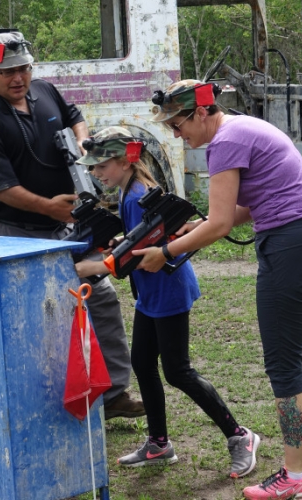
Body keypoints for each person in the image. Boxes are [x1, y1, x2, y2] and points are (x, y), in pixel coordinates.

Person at [138, 79, 302, 499]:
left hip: (290, 249)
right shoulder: (246, 127)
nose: (176, 134)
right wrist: (196, 227)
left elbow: (220, 225)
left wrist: (165, 252)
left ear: (201, 112)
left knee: (284, 365)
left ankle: (295, 476)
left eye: (177, 124)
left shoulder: (225, 141)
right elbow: (249, 205)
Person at [0, 31, 144, 419]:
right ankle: (44, 403)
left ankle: (113, 395)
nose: (19, 78)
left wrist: (82, 142)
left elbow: (74, 116)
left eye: (24, 68)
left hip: (71, 226)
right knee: (39, 317)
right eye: (8, 71)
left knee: (103, 300)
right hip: (15, 233)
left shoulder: (44, 90)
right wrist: (49, 208)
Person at [73, 126, 259, 476]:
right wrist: (117, 245)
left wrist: (92, 266)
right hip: (151, 292)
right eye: (94, 168)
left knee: (177, 371)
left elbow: (135, 257)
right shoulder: (131, 192)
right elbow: (134, 245)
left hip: (168, 290)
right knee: (142, 362)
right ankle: (159, 444)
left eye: (102, 167)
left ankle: (240, 436)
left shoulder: (136, 194)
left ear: (124, 161)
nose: (97, 174)